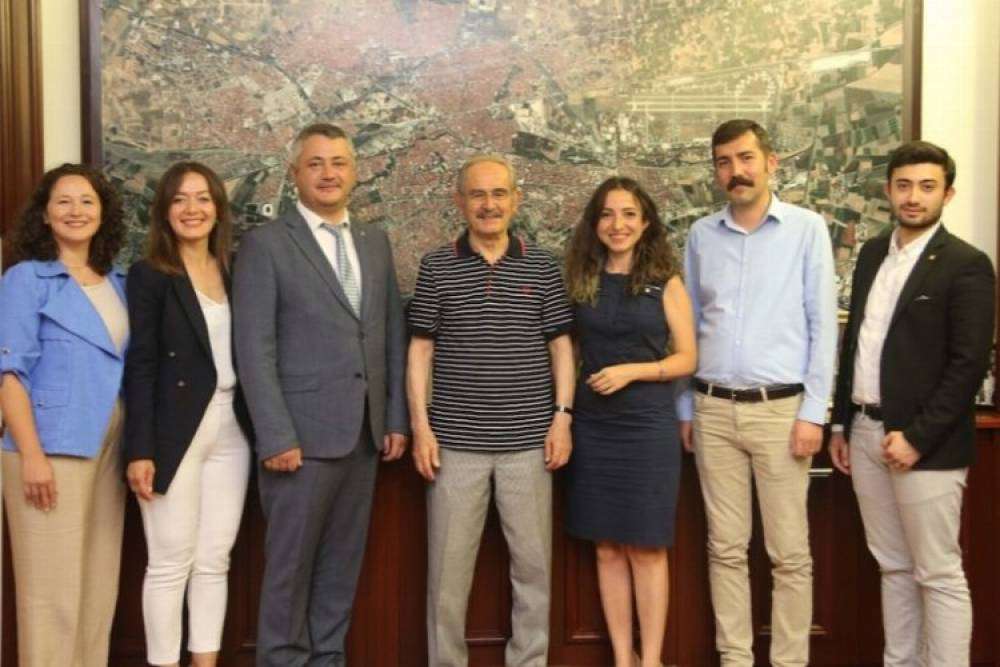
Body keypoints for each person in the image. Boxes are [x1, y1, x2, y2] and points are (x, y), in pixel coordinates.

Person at [233, 122, 409, 666]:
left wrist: (394, 419)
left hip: (364, 436)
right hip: (298, 441)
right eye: (315, 163)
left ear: (355, 172)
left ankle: (328, 659)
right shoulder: (265, 245)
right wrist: (275, 435)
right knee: (290, 572)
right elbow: (253, 349)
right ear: (294, 174)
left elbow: (390, 335)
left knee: (340, 567)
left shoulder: (374, 243)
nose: (328, 174)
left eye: (338, 163)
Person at [676, 119, 838, 667]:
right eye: (724, 162)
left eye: (745, 158)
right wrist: (684, 406)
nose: (736, 171)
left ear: (770, 162)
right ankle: (736, 659)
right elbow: (689, 323)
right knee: (724, 549)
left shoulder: (806, 229)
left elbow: (823, 326)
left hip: (782, 412)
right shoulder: (701, 235)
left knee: (789, 554)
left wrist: (814, 413)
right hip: (712, 409)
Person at [829, 140, 995, 666]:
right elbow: (856, 343)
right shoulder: (873, 254)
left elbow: (968, 365)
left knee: (938, 573)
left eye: (927, 186)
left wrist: (917, 438)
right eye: (904, 186)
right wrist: (842, 424)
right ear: (888, 190)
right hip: (865, 432)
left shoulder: (967, 265)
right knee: (894, 566)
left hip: (926, 444)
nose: (914, 197)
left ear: (948, 194)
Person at [407, 154, 575, 667]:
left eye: (499, 193)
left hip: (529, 444)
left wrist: (562, 417)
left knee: (533, 572)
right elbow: (421, 350)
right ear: (459, 202)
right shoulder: (437, 266)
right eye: (477, 195)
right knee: (447, 578)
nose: (489, 205)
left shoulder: (541, 265)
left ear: (515, 200)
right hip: (455, 447)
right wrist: (421, 428)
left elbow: (561, 346)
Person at [124, 161, 254, 667]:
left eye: (202, 198)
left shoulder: (235, 270)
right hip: (174, 430)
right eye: (179, 199)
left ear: (218, 208)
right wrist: (140, 449)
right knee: (169, 562)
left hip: (232, 427)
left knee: (214, 559)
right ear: (164, 211)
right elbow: (141, 365)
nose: (192, 209)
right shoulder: (150, 275)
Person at [563, 177, 696, 667]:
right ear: (594, 223)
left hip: (647, 427)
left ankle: (652, 659)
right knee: (606, 548)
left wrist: (632, 371)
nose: (617, 224)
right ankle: (623, 658)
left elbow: (688, 358)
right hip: (593, 426)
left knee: (646, 548)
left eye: (629, 214)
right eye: (607, 214)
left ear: (645, 223)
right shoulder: (582, 279)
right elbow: (567, 350)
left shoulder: (666, 281)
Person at [0, 163, 128, 667]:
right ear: (45, 215)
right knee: (50, 595)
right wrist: (31, 455)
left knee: (97, 588)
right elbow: (9, 373)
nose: (76, 211)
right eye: (64, 201)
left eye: (87, 201)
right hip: (49, 447)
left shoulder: (117, 281)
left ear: (102, 213)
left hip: (110, 446)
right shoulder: (26, 279)